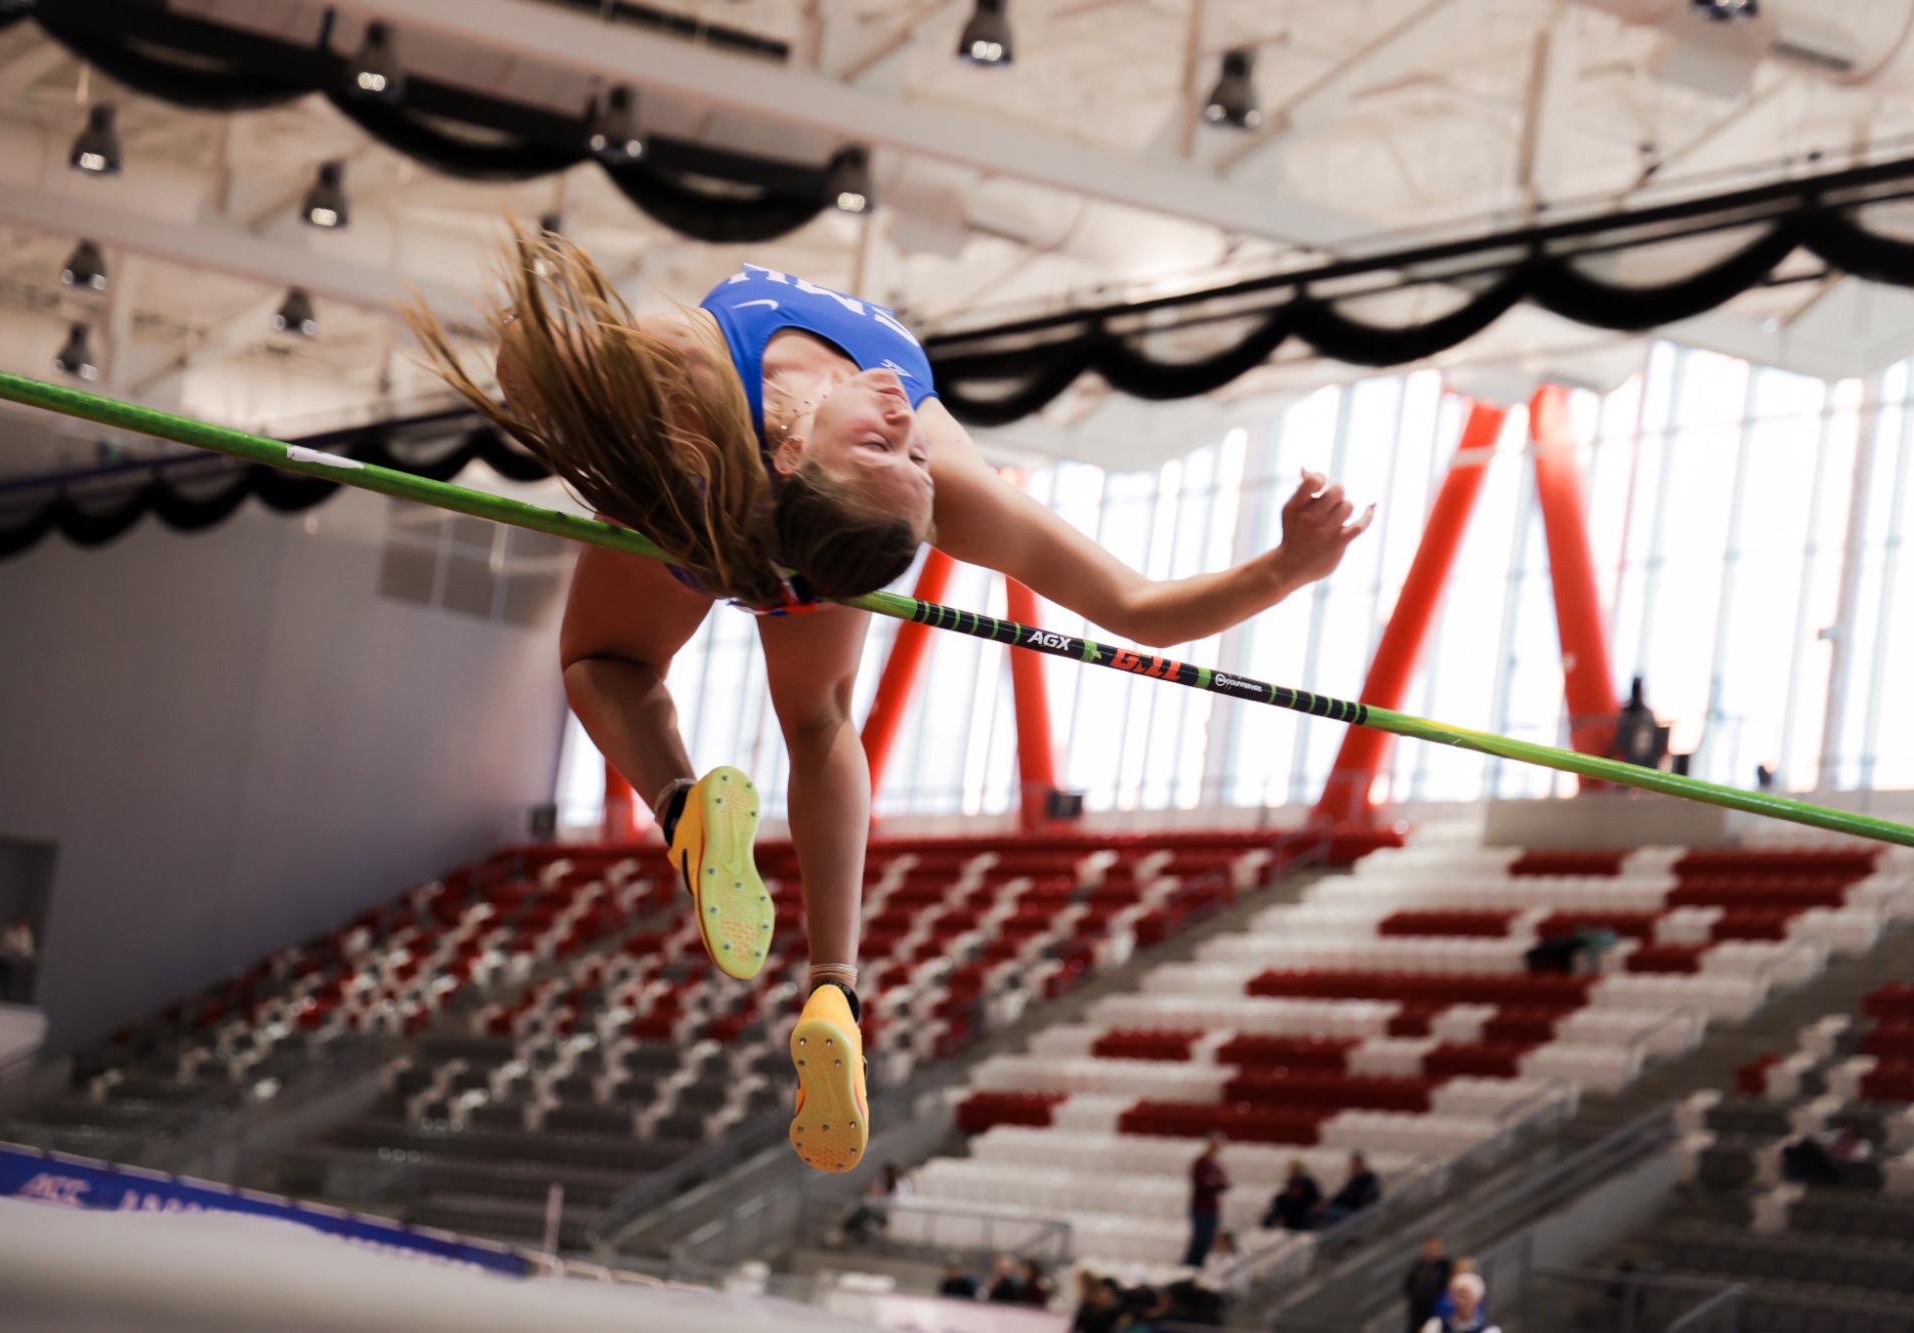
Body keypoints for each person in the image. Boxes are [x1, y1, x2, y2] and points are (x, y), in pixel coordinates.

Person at [411, 232, 1372, 1175]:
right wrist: (1284, 568)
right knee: (821, 722)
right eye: (910, 455)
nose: (907, 425)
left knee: (604, 665)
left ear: (794, 452)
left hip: (703, 510)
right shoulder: (943, 484)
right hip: (788, 547)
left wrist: (561, 343)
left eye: (887, 442)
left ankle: (682, 808)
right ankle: (835, 988)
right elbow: (1139, 609)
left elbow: (524, 369)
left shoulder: (693, 371)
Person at [1184, 1132, 1231, 1266]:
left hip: (1212, 1207)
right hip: (1200, 1207)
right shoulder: (1200, 1162)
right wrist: (1213, 1183)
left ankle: (1202, 1266)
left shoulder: (1218, 1164)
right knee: (1199, 1239)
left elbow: (1224, 1184)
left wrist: (1213, 1183)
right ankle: (1190, 1266)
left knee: (1208, 1240)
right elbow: (1201, 1183)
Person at [1421, 1271, 1500, 1333]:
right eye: (1455, 1295)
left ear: (1477, 1301)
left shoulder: (1490, 1330)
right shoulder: (1436, 1324)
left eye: (1464, 1296)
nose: (1458, 1301)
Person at [1404, 1235, 1453, 1333]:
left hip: (1436, 1315)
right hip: (1417, 1315)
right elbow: (1408, 1286)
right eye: (1429, 1249)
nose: (1431, 1252)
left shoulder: (1445, 1267)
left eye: (1435, 1249)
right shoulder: (1418, 1266)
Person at [1261, 1159, 1322, 1232]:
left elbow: (1315, 1197)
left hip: (1304, 1205)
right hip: (1291, 1203)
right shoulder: (1291, 1181)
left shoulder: (1308, 1182)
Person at [0, 915, 35, 1003]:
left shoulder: (25, 934)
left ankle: (6, 997)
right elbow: (6, 941)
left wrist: (16, 947)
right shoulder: (9, 929)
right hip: (2, 957)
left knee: (7, 980)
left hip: (13, 961)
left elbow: (25, 948)